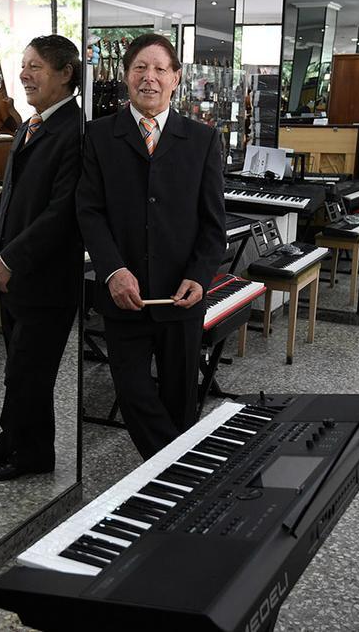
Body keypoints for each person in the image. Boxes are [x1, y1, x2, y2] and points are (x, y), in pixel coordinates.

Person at [76, 33, 226, 459]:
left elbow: (213, 225)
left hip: (181, 297)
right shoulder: (98, 136)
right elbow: (89, 212)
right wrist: (112, 271)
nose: (150, 77)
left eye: (161, 69)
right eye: (140, 68)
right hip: (125, 296)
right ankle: (184, 474)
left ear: (176, 78)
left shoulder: (201, 140)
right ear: (126, 77)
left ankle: (171, 491)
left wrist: (199, 277)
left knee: (181, 401)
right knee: (134, 393)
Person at [0, 35, 83, 481]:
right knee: (17, 369)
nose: (24, 74)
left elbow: (61, 214)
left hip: (46, 279)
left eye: (36, 66)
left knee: (30, 373)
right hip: (16, 276)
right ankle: (15, 439)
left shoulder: (75, 132)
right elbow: (11, 198)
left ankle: (32, 455)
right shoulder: (29, 124)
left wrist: (11, 259)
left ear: (65, 74)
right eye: (24, 65)